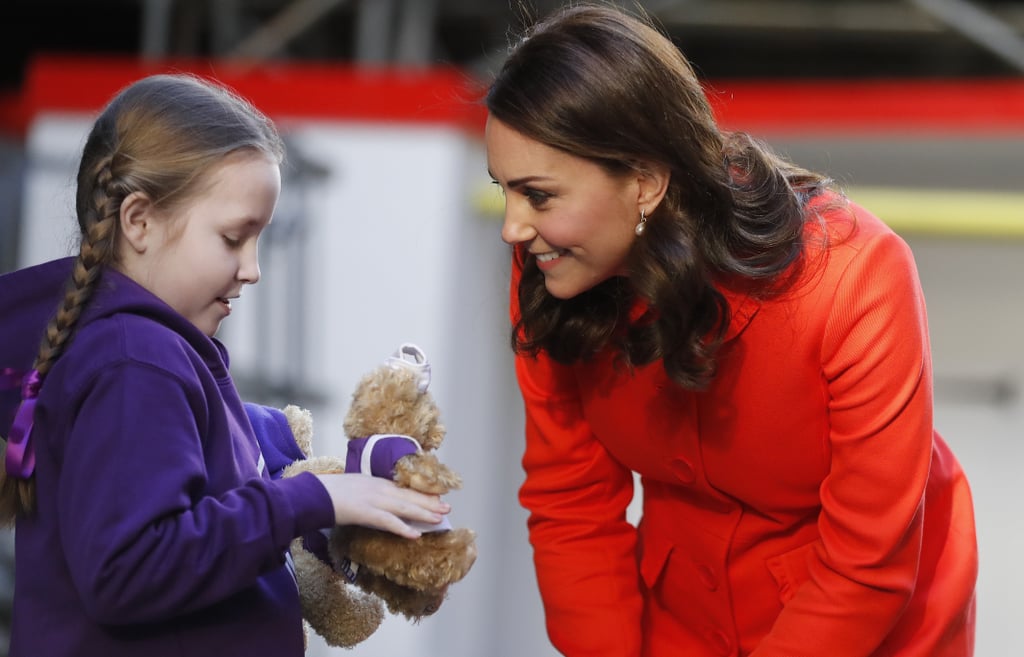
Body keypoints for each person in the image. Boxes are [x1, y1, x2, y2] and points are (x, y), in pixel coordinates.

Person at [484, 4, 978, 657]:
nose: (512, 227)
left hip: (874, 621)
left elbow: (866, 563)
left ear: (646, 181)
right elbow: (571, 504)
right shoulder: (551, 268)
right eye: (504, 190)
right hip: (685, 614)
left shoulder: (856, 275)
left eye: (539, 195)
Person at [0, 73, 450, 657]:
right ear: (139, 221)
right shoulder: (136, 363)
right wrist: (308, 499)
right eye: (234, 238)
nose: (252, 269)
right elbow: (130, 569)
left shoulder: (137, 353)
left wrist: (296, 487)